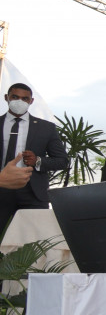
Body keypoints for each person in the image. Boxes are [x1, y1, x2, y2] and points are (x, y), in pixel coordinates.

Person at [0, 83, 68, 237]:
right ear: (6, 98)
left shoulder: (46, 128)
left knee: (35, 242)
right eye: (15, 97)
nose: (20, 101)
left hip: (32, 193)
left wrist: (38, 161)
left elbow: (62, 161)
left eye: (25, 99)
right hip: (2, 188)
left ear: (31, 101)